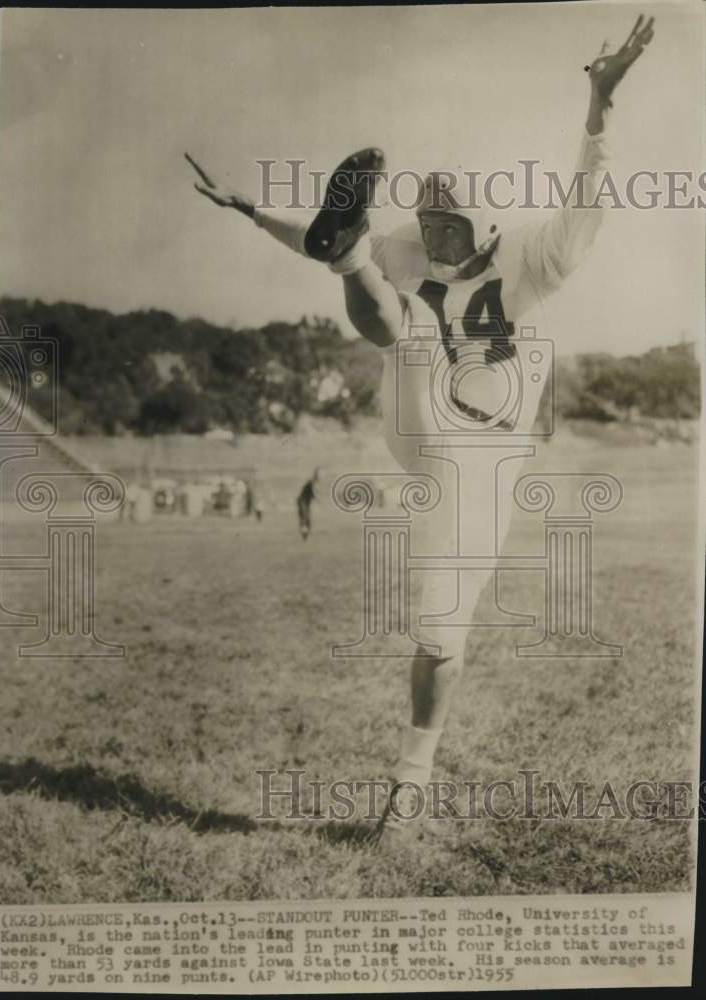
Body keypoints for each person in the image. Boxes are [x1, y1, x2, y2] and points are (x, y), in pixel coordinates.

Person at [186, 16, 654, 838]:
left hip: (484, 454)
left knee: (442, 635)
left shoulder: (532, 260)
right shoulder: (412, 251)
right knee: (398, 318)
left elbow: (589, 195)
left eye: (448, 228)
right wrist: (252, 211)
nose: (434, 238)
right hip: (419, 417)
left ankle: (412, 775)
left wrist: (598, 103)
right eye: (425, 225)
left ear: (487, 231)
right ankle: (349, 255)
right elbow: (310, 234)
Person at [297, 467, 320, 540]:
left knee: (306, 518)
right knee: (305, 517)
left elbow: (312, 493)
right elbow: (312, 491)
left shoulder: (311, 484)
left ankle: (305, 533)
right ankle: (304, 533)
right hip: (302, 501)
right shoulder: (310, 483)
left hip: (304, 502)